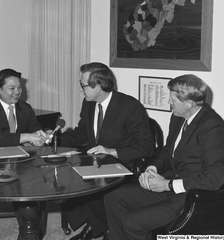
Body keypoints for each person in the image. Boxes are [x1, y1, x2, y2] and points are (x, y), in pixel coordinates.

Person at [104, 74, 224, 240]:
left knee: (132, 222)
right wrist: (153, 168)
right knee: (113, 196)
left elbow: (213, 179)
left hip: (194, 197)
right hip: (172, 186)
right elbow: (167, 151)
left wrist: (167, 185)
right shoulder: (179, 117)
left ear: (189, 104)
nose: (169, 103)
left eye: (172, 99)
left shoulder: (212, 127)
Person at [59, 62, 154, 240]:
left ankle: (96, 229)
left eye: (83, 85)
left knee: (90, 188)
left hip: (121, 164)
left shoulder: (129, 106)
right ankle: (96, 226)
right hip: (95, 162)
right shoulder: (89, 104)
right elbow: (81, 134)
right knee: (64, 180)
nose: (81, 89)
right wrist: (55, 138)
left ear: (99, 86)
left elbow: (147, 146)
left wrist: (113, 151)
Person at [0, 68, 50, 240]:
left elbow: (34, 127)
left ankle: (29, 231)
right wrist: (27, 137)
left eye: (20, 88)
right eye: (12, 88)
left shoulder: (25, 108)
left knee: (33, 185)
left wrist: (41, 135)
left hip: (19, 160)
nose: (17, 92)